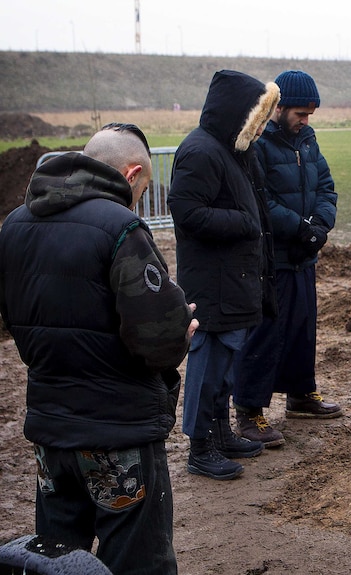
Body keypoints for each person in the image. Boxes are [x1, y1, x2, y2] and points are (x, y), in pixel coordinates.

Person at [0, 122, 197, 575]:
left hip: (50, 431)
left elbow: (12, 319)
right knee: (137, 560)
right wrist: (180, 331)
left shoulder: (14, 224)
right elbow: (158, 341)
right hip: (118, 431)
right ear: (131, 176)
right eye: (141, 188)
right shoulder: (122, 228)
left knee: (51, 559)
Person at [168, 69, 280, 479]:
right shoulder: (200, 151)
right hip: (212, 284)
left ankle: (220, 434)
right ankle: (200, 447)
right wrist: (243, 222)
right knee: (207, 367)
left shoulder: (234, 148)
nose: (263, 126)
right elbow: (186, 210)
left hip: (235, 281)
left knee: (226, 366)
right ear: (240, 113)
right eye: (259, 117)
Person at [233, 70, 341, 448]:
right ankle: (249, 412)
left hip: (303, 255)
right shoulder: (258, 146)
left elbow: (326, 188)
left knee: (302, 328)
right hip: (272, 258)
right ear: (278, 108)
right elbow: (260, 200)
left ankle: (300, 395)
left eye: (310, 114)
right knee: (264, 335)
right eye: (300, 113)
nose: (306, 120)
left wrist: (320, 227)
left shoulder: (308, 141)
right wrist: (300, 227)